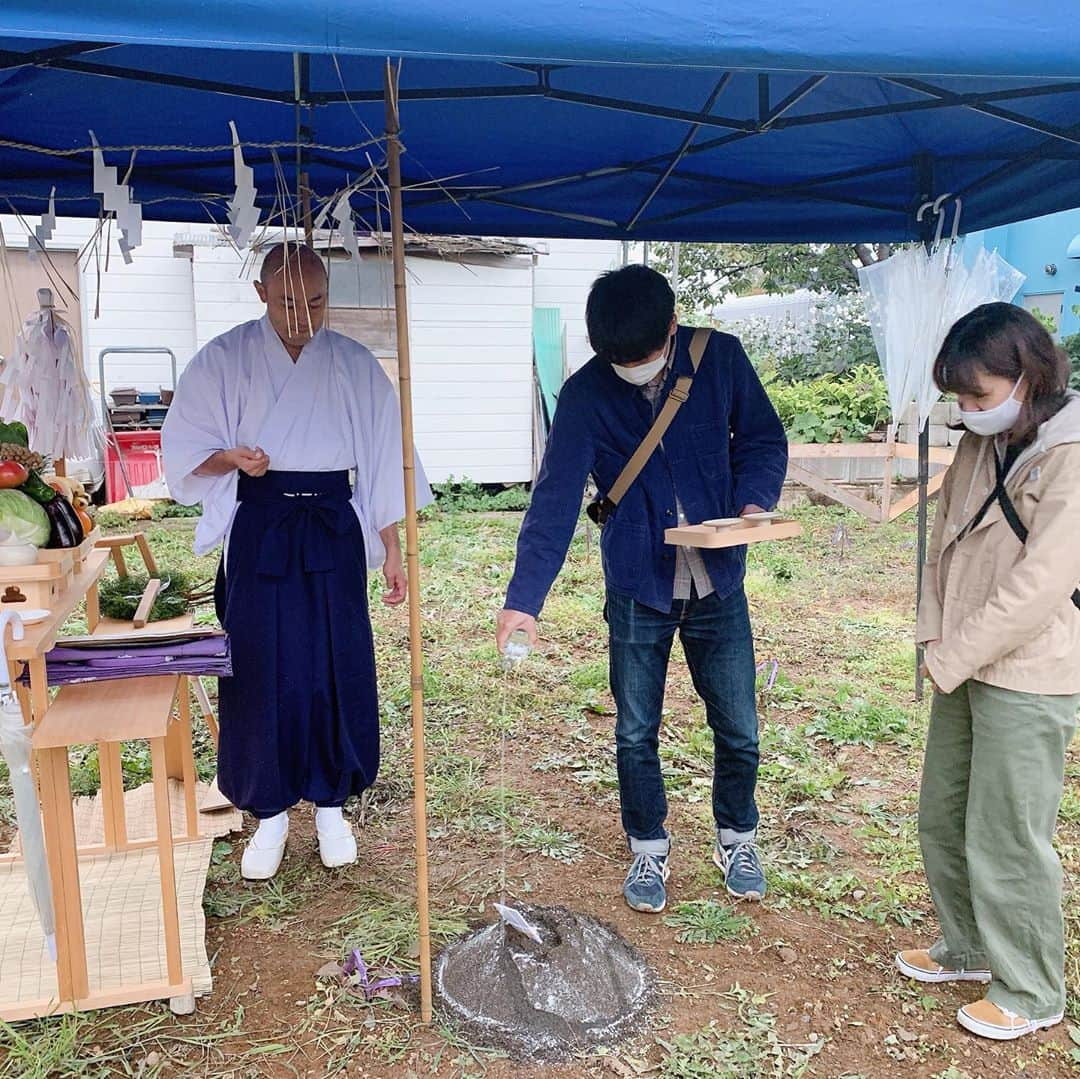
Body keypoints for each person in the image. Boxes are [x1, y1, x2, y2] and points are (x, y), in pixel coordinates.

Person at [496, 265, 787, 914]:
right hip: (637, 583)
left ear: (673, 327)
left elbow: (764, 439)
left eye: (645, 356)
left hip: (719, 581)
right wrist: (524, 599)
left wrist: (753, 502)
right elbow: (553, 503)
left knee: (739, 726)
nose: (632, 368)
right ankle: (648, 847)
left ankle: (737, 835)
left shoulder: (720, 359)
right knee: (635, 731)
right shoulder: (584, 395)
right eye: (617, 359)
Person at [163, 243, 430, 880]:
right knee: (259, 665)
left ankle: (332, 803)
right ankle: (271, 813)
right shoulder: (225, 358)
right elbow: (182, 450)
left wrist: (391, 548)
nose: (303, 316)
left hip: (334, 526)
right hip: (261, 526)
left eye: (315, 302)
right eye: (288, 302)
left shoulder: (352, 363)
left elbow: (387, 455)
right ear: (261, 293)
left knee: (336, 658)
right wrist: (231, 459)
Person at [898, 302, 1080, 1041]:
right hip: (964, 657)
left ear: (1027, 377)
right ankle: (970, 946)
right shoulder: (986, 440)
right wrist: (933, 631)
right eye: (960, 399)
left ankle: (1032, 987)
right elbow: (946, 540)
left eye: (979, 396)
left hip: (1031, 669)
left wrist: (955, 652)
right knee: (942, 815)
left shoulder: (1069, 450)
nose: (968, 411)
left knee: (1008, 833)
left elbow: (1042, 584)